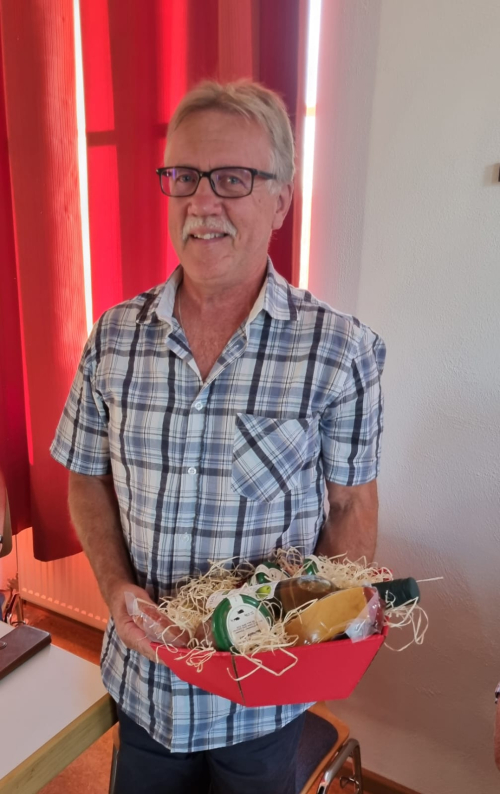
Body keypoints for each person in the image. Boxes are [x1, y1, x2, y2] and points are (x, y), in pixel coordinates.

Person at [51, 80, 385, 794]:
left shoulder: (338, 351)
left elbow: (351, 506)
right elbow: (85, 475)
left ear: (281, 202)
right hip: (143, 686)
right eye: (184, 176)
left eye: (232, 179)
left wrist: (326, 626)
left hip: (261, 705)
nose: (202, 202)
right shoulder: (114, 338)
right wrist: (113, 586)